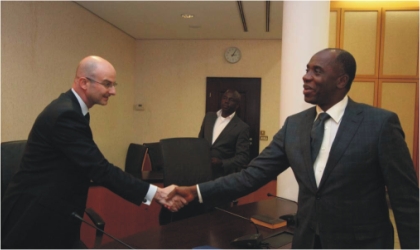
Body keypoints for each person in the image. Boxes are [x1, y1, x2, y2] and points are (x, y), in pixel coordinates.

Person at [171, 48, 419, 249]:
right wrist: (197, 191)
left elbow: (406, 199)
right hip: (307, 241)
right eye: (307, 69)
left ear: (341, 81)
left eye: (317, 71)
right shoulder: (295, 125)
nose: (306, 76)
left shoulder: (379, 123)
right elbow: (251, 175)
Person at [1, 56, 186, 248]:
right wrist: (156, 193)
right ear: (83, 82)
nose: (113, 91)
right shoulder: (66, 115)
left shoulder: (72, 109)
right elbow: (100, 169)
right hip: (34, 221)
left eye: (114, 85)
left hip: (57, 215)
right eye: (107, 84)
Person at [199, 89, 250, 179]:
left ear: (237, 105)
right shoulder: (209, 117)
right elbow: (200, 141)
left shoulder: (242, 127)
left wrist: (222, 162)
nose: (226, 101)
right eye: (225, 98)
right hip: (203, 171)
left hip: (224, 175)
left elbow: (243, 158)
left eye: (231, 100)